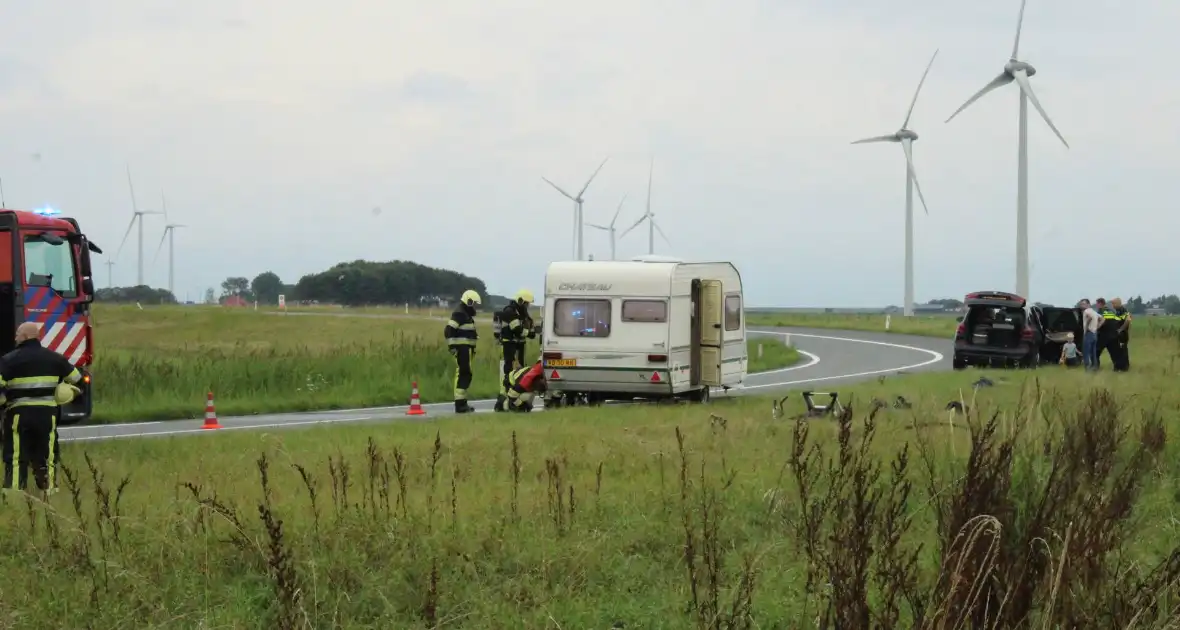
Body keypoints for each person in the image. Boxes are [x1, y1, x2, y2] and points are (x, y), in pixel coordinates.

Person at [0, 322, 84, 492]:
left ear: (24, 337)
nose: (15, 338)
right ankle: (49, 489)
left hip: (19, 414)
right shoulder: (55, 358)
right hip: (47, 415)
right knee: (48, 454)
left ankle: (16, 492)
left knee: (16, 455)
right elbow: (77, 378)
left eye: (17, 335)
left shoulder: (9, 360)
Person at [494, 289, 536, 412]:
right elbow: (517, 329)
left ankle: (514, 398)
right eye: (526, 303)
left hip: (518, 345)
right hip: (509, 345)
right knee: (509, 371)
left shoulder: (521, 313)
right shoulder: (510, 312)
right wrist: (530, 333)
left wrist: (531, 328)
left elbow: (526, 326)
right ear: (520, 301)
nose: (527, 306)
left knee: (519, 371)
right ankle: (503, 399)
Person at [443, 290, 481, 413]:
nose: (475, 307)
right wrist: (453, 348)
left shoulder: (465, 314)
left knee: (465, 374)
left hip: (466, 350)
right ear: (468, 302)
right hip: (462, 350)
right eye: (474, 304)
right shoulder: (459, 314)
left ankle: (462, 403)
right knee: (464, 374)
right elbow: (449, 330)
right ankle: (460, 404)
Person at [1094, 297, 1121, 370]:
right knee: (1114, 353)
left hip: (1104, 335)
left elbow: (1102, 320)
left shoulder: (1102, 311)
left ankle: (1095, 367)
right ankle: (1117, 368)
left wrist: (1095, 328)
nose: (1096, 305)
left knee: (1096, 351)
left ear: (1100, 303)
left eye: (1097, 304)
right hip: (1113, 335)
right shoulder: (1111, 311)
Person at [1079, 298, 1101, 369]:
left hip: (1088, 333)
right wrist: (1097, 327)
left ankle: (1087, 367)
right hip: (1094, 333)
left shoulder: (1086, 311)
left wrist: (1086, 327)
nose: (1082, 305)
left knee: (1086, 351)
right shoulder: (1094, 311)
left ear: (1088, 304)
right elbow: (1103, 319)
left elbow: (1090, 318)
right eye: (1081, 304)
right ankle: (1094, 367)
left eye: (1084, 304)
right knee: (1093, 352)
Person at [1111, 297, 1131, 371]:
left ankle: (1123, 367)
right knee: (1121, 350)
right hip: (1120, 334)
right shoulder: (1118, 311)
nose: (1112, 305)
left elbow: (1128, 320)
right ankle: (1123, 366)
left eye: (1113, 304)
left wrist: (1121, 329)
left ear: (1118, 303)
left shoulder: (1123, 310)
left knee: (1122, 351)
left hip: (1122, 334)